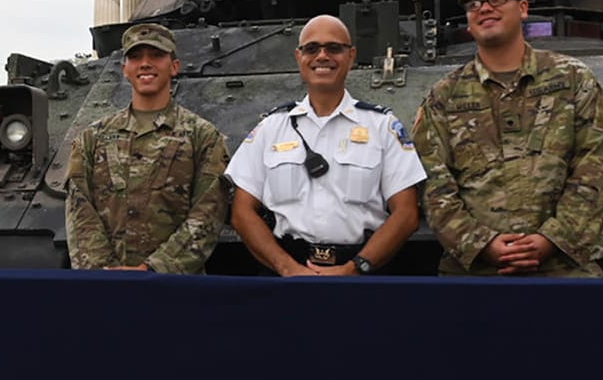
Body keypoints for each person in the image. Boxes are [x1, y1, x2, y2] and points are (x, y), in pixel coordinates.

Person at [412, 0, 603, 277]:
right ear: (469, 21)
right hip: (475, 273)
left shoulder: (573, 79)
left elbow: (594, 167)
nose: (484, 8)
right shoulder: (444, 96)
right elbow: (433, 183)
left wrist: (551, 239)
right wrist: (483, 244)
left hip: (565, 268)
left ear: (523, 8)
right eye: (474, 3)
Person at [226, 15, 426, 276]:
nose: (322, 56)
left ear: (351, 56)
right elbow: (242, 212)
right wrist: (287, 268)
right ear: (299, 57)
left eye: (334, 48)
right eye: (311, 48)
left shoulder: (382, 127)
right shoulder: (271, 128)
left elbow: (406, 213)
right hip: (286, 274)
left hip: (363, 273)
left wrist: (355, 268)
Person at [65, 23, 229, 273]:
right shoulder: (92, 138)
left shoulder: (202, 136)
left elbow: (208, 212)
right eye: (135, 57)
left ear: (174, 66)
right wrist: (101, 273)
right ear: (125, 70)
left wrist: (152, 270)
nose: (145, 63)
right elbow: (80, 209)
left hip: (174, 287)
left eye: (156, 55)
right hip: (105, 288)